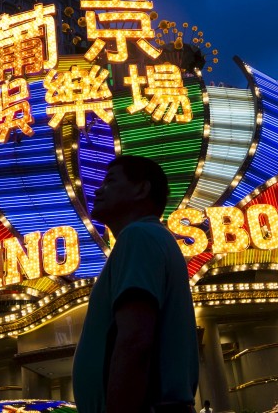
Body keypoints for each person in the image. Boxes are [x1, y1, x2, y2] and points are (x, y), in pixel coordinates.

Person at [72, 155, 199, 413]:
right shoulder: (152, 237)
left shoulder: (138, 236)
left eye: (110, 181)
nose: (98, 189)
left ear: (142, 189)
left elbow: (135, 339)